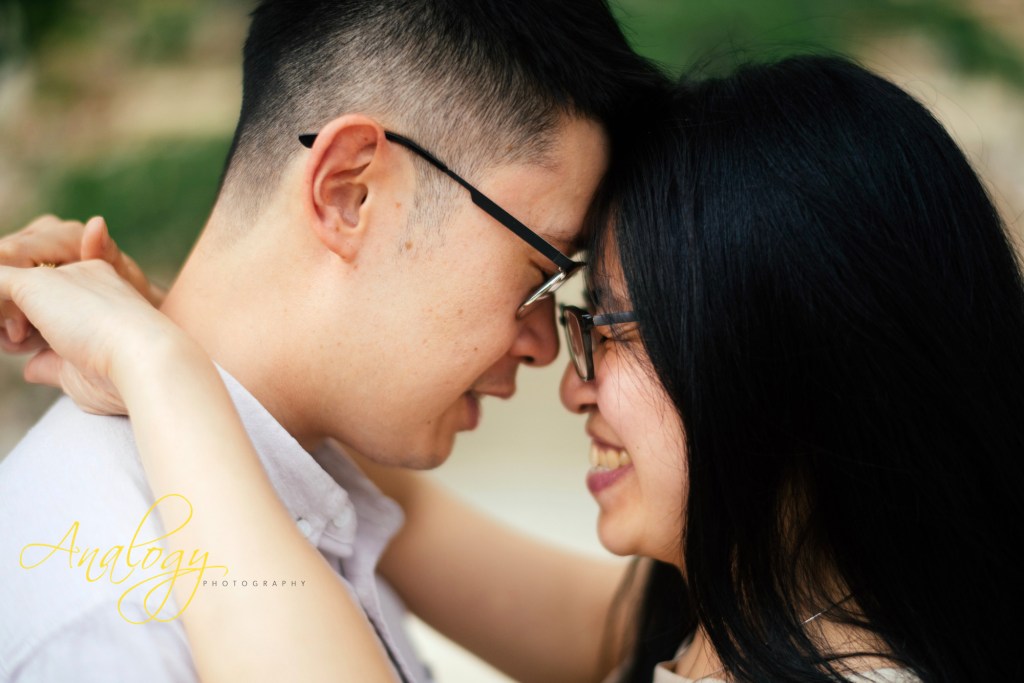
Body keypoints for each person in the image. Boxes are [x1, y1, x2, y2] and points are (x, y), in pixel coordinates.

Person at [4, 54, 1023, 682]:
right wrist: (201, 346)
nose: (566, 374)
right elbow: (411, 522)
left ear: (785, 360)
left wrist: (160, 364)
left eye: (609, 325)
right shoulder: (739, 619)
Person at [0, 1, 665, 681]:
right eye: (540, 271)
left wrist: (173, 353)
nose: (545, 347)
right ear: (349, 191)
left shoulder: (313, 482)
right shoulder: (108, 624)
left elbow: (627, 634)